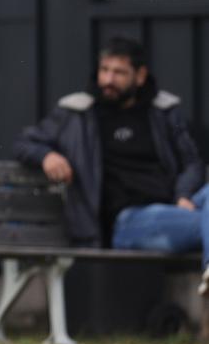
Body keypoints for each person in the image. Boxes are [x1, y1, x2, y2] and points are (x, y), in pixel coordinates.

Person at [15, 37, 209, 295]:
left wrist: (184, 195)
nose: (108, 80)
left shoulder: (164, 112)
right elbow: (24, 142)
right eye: (104, 70)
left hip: (176, 207)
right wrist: (47, 155)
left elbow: (193, 161)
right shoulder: (77, 114)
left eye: (119, 72)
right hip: (128, 221)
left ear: (140, 76)